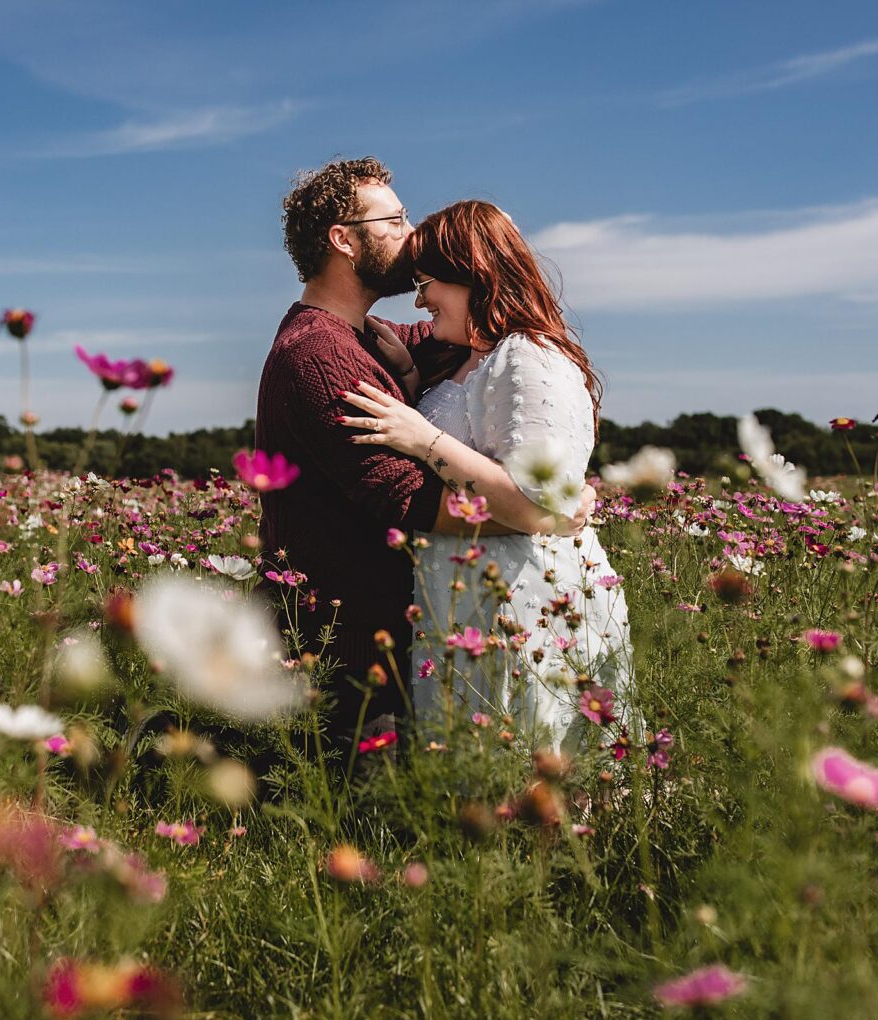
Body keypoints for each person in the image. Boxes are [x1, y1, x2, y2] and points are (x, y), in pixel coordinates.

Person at [256, 159, 591, 754]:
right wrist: (540, 515)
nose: (411, 234)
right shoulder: (318, 354)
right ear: (343, 239)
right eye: (396, 218)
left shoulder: (366, 337)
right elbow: (410, 499)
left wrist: (488, 247)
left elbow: (472, 326)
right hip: (348, 646)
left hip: (397, 633)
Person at [337, 200, 633, 754]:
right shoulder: (473, 356)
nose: (420, 299)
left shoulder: (529, 357)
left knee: (529, 786)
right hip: (467, 608)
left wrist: (419, 437)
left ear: (473, 273)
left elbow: (530, 505)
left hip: (527, 610)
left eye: (427, 283)